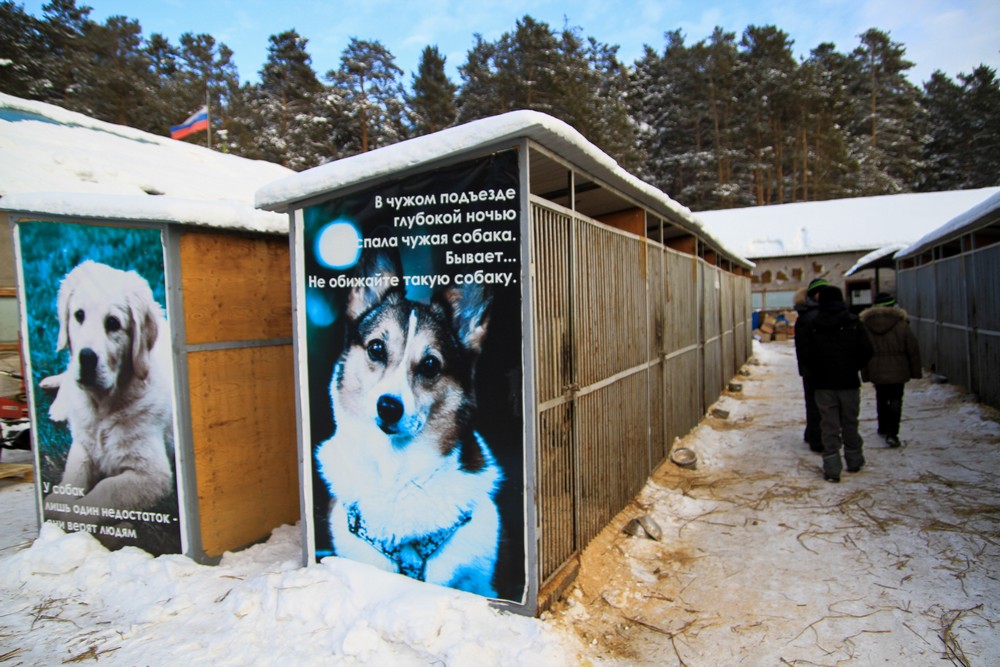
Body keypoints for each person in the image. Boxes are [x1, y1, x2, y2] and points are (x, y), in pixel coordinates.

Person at [797, 285, 874, 483]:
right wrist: (852, 366)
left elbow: (805, 354)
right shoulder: (854, 322)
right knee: (850, 422)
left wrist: (817, 370)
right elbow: (867, 350)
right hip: (848, 382)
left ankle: (832, 468)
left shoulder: (814, 324)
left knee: (829, 426)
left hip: (823, 384)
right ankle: (854, 461)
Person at [859, 293, 922, 448]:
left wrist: (865, 373)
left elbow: (863, 350)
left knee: (881, 397)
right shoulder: (902, 325)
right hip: (898, 368)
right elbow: (912, 349)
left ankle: (882, 427)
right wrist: (915, 371)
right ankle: (892, 433)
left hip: (876, 368)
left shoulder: (866, 325)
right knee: (896, 399)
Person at [793, 278, 829, 452]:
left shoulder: (804, 315)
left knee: (813, 403)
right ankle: (817, 439)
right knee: (819, 404)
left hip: (810, 368)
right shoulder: (817, 315)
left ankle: (812, 434)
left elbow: (801, 346)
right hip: (817, 367)